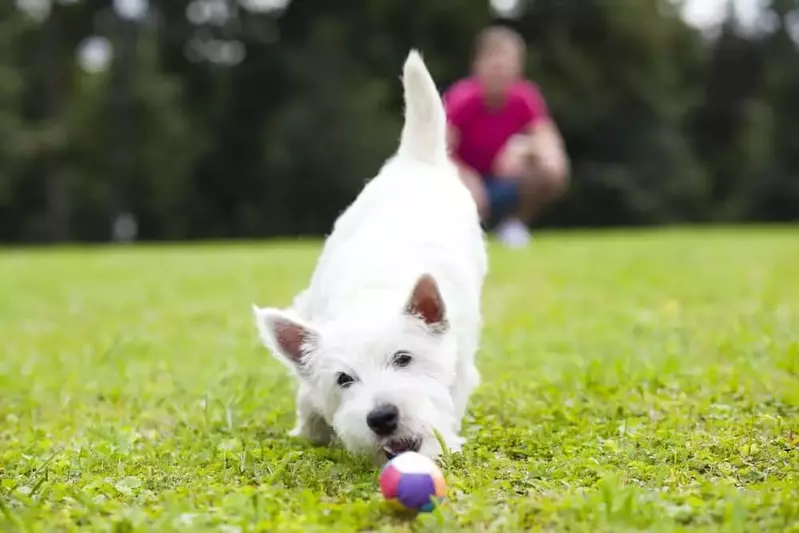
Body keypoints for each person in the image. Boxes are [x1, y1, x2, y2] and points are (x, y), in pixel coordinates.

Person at [443, 25, 570, 248]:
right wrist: (464, 175)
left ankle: (513, 225)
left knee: (550, 170)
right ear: (478, 65)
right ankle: (461, 229)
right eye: (494, 61)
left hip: (502, 184)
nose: (500, 69)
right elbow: (437, 151)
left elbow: (549, 143)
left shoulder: (526, 97)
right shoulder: (461, 99)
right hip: (463, 184)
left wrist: (524, 147)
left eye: (507, 62)